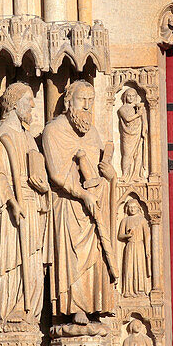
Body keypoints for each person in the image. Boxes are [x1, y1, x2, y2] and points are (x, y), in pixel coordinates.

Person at [43, 80, 118, 324]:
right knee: (72, 259)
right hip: (68, 205)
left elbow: (97, 170)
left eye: (91, 100)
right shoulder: (53, 130)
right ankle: (74, 309)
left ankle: (95, 304)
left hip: (92, 206)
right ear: (68, 102)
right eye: (81, 100)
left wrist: (109, 176)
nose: (87, 106)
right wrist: (82, 194)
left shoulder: (93, 133)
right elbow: (56, 174)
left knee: (95, 257)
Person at [0, 82, 49, 326]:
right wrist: (12, 202)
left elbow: (39, 174)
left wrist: (43, 189)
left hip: (32, 206)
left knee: (32, 260)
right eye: (28, 99)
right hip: (10, 211)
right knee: (11, 259)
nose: (33, 105)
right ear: (13, 104)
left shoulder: (30, 140)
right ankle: (9, 309)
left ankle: (30, 311)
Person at [117, 198, 151, 298]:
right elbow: (120, 236)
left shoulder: (142, 220)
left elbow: (147, 236)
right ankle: (128, 290)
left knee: (139, 267)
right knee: (129, 268)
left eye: (134, 207)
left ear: (138, 208)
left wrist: (147, 249)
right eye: (130, 207)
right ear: (127, 208)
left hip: (140, 247)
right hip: (130, 246)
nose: (132, 209)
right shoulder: (125, 220)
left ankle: (140, 290)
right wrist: (127, 235)